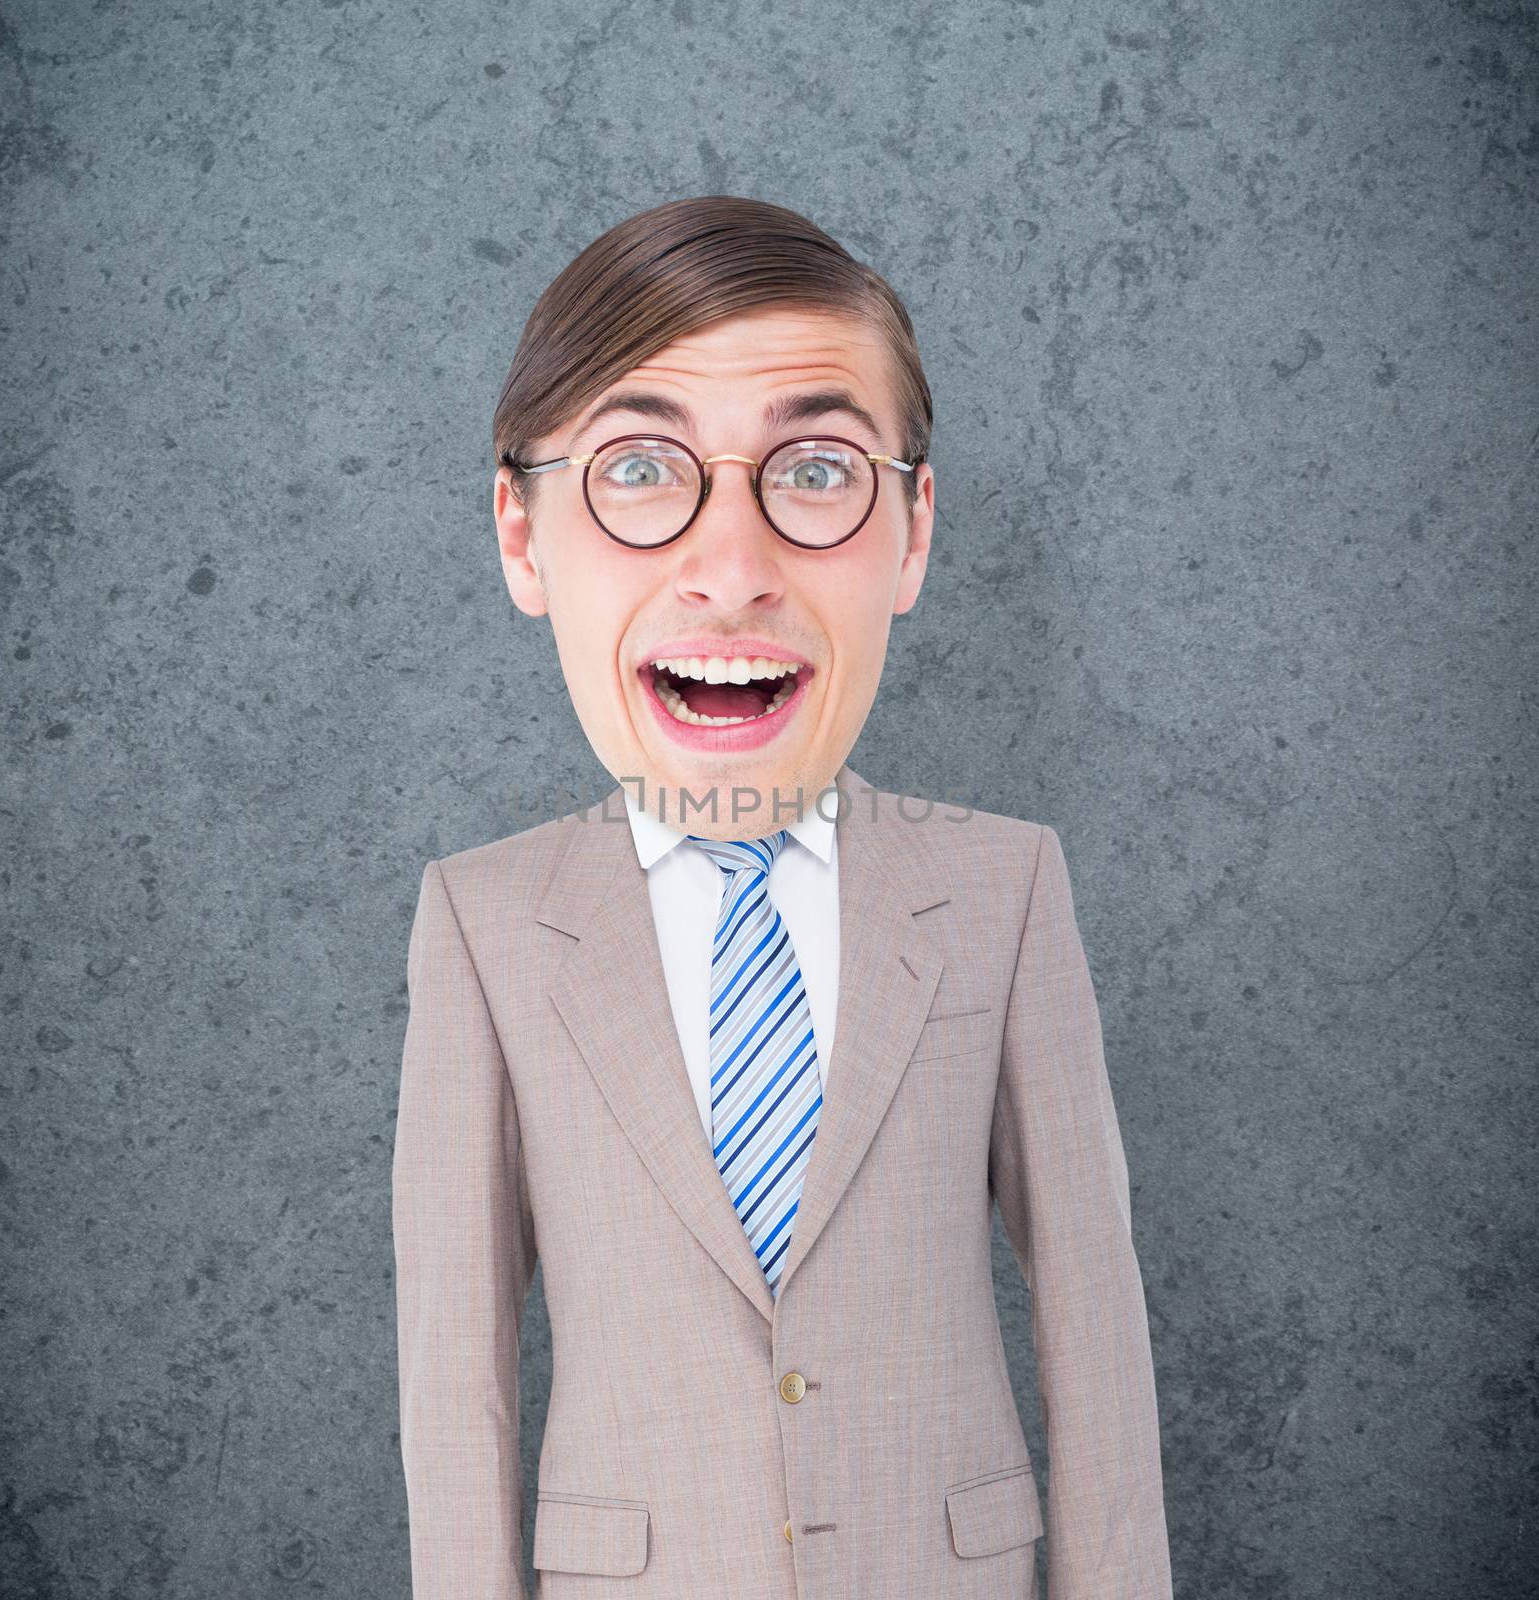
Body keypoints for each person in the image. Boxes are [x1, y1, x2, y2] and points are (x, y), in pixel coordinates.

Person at [391, 194, 1173, 1600]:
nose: (735, 571)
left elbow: (1099, 1344)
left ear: (914, 529)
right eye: (640, 467)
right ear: (520, 534)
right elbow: (456, 1386)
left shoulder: (1006, 890)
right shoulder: (482, 922)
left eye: (816, 471)